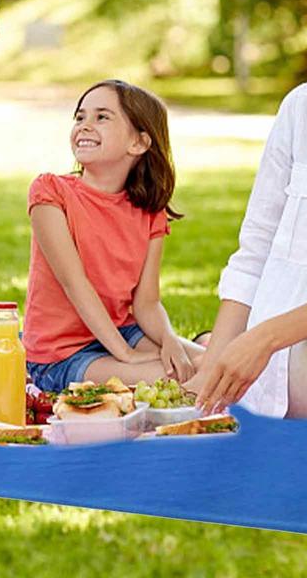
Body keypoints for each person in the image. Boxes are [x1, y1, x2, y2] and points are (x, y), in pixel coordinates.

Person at [186, 0, 307, 418]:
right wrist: (219, 361)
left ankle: (210, 351)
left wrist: (262, 340)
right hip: (279, 345)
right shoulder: (304, 110)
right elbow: (255, 251)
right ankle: (209, 352)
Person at [23, 80, 204, 393]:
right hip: (60, 355)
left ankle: (202, 343)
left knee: (213, 364)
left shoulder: (150, 212)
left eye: (102, 117)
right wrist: (126, 356)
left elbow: (147, 302)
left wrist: (169, 341)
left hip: (122, 331)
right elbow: (75, 284)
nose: (85, 125)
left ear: (138, 143)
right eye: (80, 117)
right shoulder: (50, 192)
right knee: (177, 380)